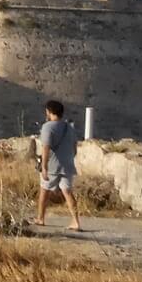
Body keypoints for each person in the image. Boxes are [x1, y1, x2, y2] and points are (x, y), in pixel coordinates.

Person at [32, 99, 82, 231]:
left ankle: (40, 218)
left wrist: (44, 167)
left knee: (44, 191)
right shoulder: (69, 128)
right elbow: (75, 148)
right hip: (68, 165)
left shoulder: (48, 127)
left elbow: (46, 148)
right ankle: (76, 222)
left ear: (49, 112)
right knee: (68, 192)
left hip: (53, 165)